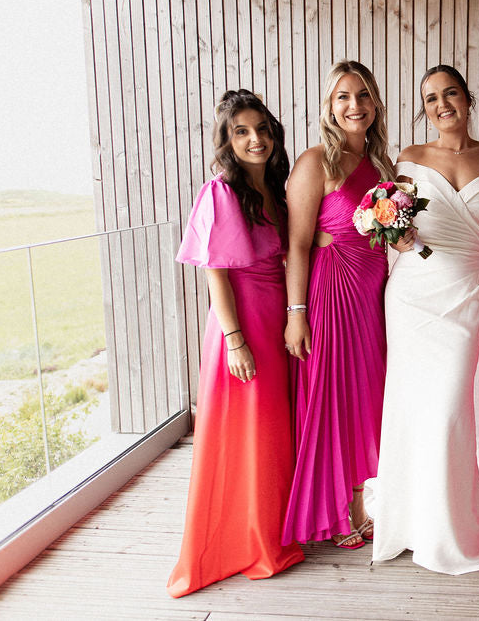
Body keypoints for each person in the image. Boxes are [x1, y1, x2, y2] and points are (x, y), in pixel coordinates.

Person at [371, 64, 479, 574]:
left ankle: (453, 519)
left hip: (466, 294)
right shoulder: (409, 158)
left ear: (468, 98)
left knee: (449, 408)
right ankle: (413, 514)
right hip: (413, 295)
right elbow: (393, 225)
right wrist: (397, 235)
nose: (442, 105)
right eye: (431, 98)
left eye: (450, 93)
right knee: (414, 405)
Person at [167, 90, 304, 597]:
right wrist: (234, 340)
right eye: (242, 132)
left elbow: (297, 248)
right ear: (227, 140)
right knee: (244, 429)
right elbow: (216, 276)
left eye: (263, 130)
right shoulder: (221, 192)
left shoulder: (274, 189)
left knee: (270, 428)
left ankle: (269, 527)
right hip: (240, 322)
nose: (256, 139)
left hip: (277, 319)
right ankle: (245, 540)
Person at [280, 61, 394, 549]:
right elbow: (298, 243)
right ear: (330, 106)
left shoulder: (384, 166)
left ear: (375, 105)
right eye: (344, 97)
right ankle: (336, 510)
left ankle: (358, 500)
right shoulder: (315, 163)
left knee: (364, 401)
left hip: (373, 296)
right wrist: (296, 313)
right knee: (332, 400)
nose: (355, 105)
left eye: (363, 95)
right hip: (329, 295)